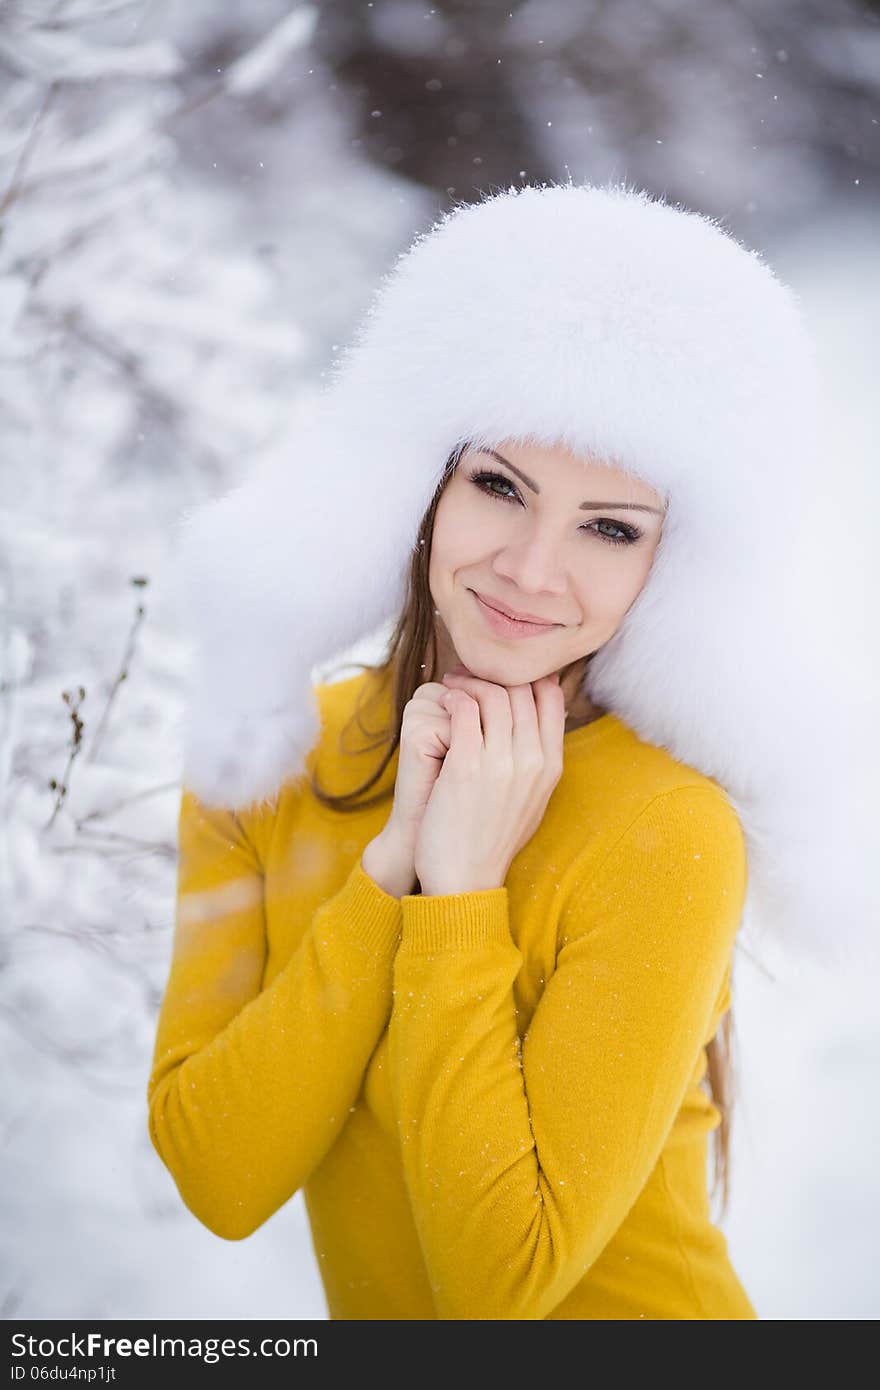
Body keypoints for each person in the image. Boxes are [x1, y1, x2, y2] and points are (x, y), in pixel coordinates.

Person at [147, 181, 873, 1320]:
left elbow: (501, 1286)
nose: (534, 571)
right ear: (420, 483)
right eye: (500, 485)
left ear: (669, 569)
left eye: (609, 527)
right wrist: (391, 871)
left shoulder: (664, 825)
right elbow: (219, 1173)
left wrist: (462, 897)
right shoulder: (273, 750)